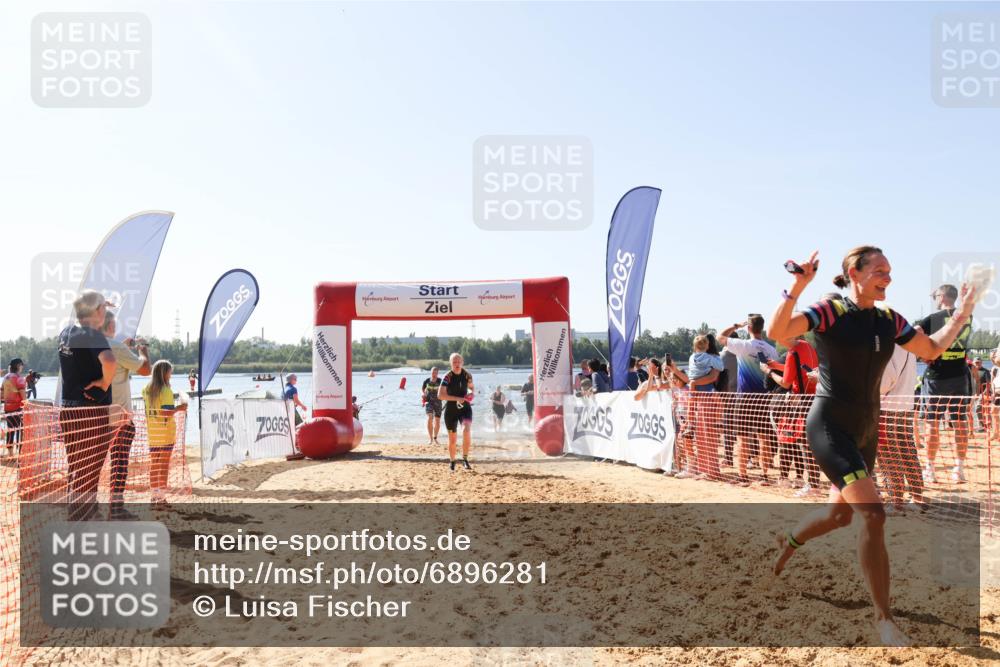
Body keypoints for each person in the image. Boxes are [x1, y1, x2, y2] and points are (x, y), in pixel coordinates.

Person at [769, 246, 976, 647]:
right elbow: (781, 332)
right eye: (880, 270)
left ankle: (788, 541)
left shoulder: (888, 320)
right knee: (875, 515)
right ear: (854, 273)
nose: (889, 277)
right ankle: (884, 619)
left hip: (866, 431)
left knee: (839, 517)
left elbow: (931, 350)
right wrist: (798, 285)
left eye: (890, 270)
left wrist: (961, 315)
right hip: (829, 426)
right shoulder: (831, 312)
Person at [57, 290, 117, 521]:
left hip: (69, 410)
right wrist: (103, 383)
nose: (106, 311)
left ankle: (79, 518)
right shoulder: (93, 335)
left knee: (77, 470)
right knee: (90, 472)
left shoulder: (66, 333)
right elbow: (109, 361)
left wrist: (98, 302)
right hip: (91, 412)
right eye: (103, 307)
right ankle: (84, 522)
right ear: (96, 311)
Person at [917, 284, 975, 483]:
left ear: (942, 297)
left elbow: (914, 333)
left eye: (935, 296)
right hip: (960, 374)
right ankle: (958, 469)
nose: (934, 299)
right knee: (960, 423)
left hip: (937, 376)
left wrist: (925, 353)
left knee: (932, 424)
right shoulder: (966, 317)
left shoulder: (932, 319)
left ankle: (930, 469)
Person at [717, 315, 779, 484]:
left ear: (749, 328)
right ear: (762, 328)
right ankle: (764, 475)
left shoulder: (743, 345)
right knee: (764, 438)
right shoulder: (771, 350)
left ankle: (742, 475)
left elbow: (720, 336)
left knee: (743, 439)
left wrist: (735, 325)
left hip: (744, 399)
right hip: (763, 399)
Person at [101, 312, 151, 520]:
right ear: (111, 325)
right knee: (120, 463)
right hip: (119, 418)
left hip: (94, 417)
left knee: (89, 467)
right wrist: (143, 351)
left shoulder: (89, 346)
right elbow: (146, 369)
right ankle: (116, 509)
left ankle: (85, 511)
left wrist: (123, 347)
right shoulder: (116, 347)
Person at [879, 340, 924, 513]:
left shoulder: (888, 344)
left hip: (887, 406)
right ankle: (917, 497)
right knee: (907, 450)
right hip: (904, 405)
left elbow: (885, 381)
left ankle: (895, 501)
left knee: (888, 455)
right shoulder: (908, 344)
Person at [142, 360, 187, 506]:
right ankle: (161, 498)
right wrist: (181, 407)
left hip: (153, 433)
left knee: (154, 465)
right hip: (166, 432)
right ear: (165, 373)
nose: (171, 375)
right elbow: (165, 412)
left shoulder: (146, 390)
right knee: (164, 466)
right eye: (170, 372)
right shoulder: (166, 391)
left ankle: (154, 496)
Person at [438, 353, 474, 471]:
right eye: (454, 362)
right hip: (451, 410)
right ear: (451, 363)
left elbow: (472, 387)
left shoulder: (467, 375)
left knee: (466, 430)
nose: (457, 364)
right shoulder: (447, 377)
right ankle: (452, 461)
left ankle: (465, 459)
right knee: (452, 439)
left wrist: (471, 393)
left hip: (465, 408)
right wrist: (456, 398)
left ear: (462, 362)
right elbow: (440, 395)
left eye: (459, 361)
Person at [2, 358, 27, 458]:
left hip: (7, 408)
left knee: (10, 430)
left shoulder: (6, 377)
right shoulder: (18, 378)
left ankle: (10, 454)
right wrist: (26, 403)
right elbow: (23, 396)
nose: (22, 367)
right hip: (18, 408)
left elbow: (1, 394)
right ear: (18, 366)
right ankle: (20, 453)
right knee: (21, 430)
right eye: (21, 365)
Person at [421, 367, 443, 444]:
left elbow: (445, 390)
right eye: (433, 372)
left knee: (437, 420)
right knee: (430, 417)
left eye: (436, 373)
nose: (434, 374)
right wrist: (423, 396)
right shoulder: (426, 381)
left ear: (438, 373)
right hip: (428, 402)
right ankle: (430, 439)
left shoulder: (441, 381)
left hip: (438, 402)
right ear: (431, 372)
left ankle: (435, 437)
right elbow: (423, 391)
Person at [972, 357, 991, 432]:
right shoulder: (971, 371)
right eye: (976, 362)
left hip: (984, 394)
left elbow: (988, 384)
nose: (977, 364)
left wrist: (982, 395)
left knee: (979, 409)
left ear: (981, 363)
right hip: (974, 394)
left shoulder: (985, 371)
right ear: (973, 363)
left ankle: (984, 426)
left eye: (979, 362)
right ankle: (981, 426)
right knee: (971, 410)